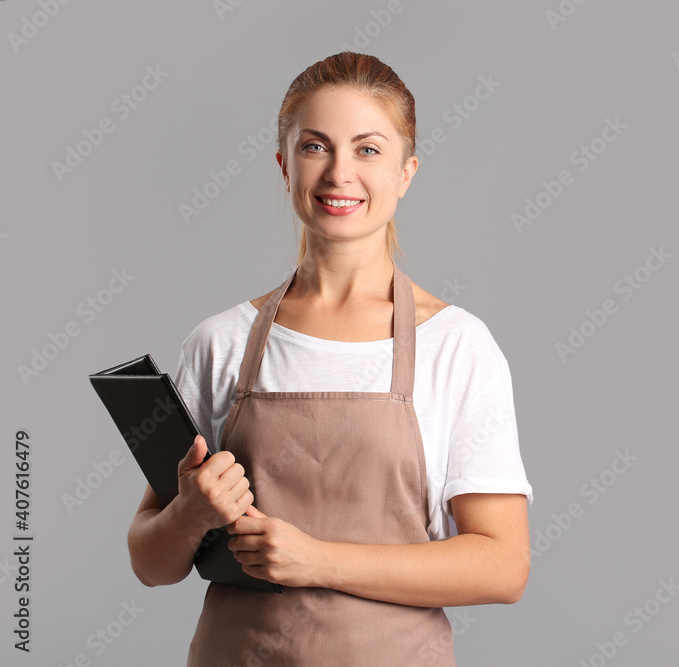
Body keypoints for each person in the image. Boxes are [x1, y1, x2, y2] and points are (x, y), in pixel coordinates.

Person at [126, 51, 533, 665]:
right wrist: (190, 513)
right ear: (284, 166)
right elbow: (150, 563)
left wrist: (317, 559)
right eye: (316, 146)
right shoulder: (220, 343)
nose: (339, 172)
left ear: (406, 171)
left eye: (368, 149)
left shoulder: (456, 345)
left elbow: (504, 565)